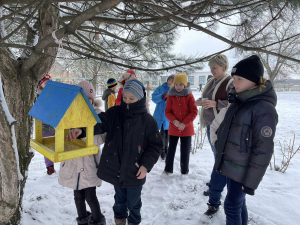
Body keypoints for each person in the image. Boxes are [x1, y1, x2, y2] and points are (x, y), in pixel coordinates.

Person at [66, 79, 163, 225]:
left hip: (136, 171)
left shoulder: (148, 121)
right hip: (117, 168)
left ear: (140, 98)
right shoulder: (115, 113)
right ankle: (119, 220)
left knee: (134, 203)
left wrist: (145, 165)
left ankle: (133, 222)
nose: (127, 102)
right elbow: (100, 123)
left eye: (132, 98)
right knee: (119, 200)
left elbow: (155, 145)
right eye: (125, 98)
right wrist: (82, 130)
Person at [214, 55, 278, 225]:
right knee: (238, 204)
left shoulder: (264, 109)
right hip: (231, 165)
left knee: (231, 205)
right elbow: (226, 130)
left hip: (243, 171)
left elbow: (263, 149)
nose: (234, 82)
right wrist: (218, 145)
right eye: (234, 78)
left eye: (240, 79)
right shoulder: (238, 100)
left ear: (254, 81)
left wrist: (251, 182)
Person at [59, 81, 106, 225]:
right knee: (77, 195)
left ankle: (98, 220)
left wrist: (85, 134)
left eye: (88, 98)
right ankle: (83, 220)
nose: (84, 102)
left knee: (90, 195)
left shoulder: (99, 115)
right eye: (80, 98)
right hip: (72, 162)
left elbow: (102, 137)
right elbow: (61, 134)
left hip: (89, 163)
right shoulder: (68, 114)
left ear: (92, 99)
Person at [195, 54, 233, 206]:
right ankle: (215, 182)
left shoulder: (230, 82)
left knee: (220, 157)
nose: (212, 71)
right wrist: (201, 102)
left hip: (221, 126)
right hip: (210, 124)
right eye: (210, 68)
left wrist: (216, 104)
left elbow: (233, 103)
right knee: (216, 156)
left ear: (224, 67)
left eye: (214, 68)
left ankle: (216, 186)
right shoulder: (212, 81)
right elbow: (208, 99)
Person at [164, 73, 198, 175]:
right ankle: (168, 169)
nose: (178, 87)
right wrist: (174, 121)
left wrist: (184, 123)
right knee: (171, 149)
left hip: (186, 129)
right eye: (176, 84)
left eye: (181, 84)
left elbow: (194, 111)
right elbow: (167, 112)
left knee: (185, 150)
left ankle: (184, 170)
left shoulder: (189, 96)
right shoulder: (171, 96)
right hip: (174, 127)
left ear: (185, 85)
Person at [152, 74, 175, 160]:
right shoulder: (160, 88)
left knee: (168, 135)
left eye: (172, 81)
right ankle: (162, 151)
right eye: (169, 80)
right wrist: (162, 96)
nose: (170, 82)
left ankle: (166, 150)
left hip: (169, 118)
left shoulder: (175, 91)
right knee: (161, 135)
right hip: (160, 116)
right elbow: (154, 98)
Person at [37, 74, 56, 175]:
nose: (48, 84)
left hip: (54, 124)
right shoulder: (37, 95)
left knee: (57, 144)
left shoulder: (52, 94)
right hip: (44, 125)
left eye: (49, 82)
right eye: (45, 83)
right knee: (47, 146)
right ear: (41, 84)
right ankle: (50, 166)